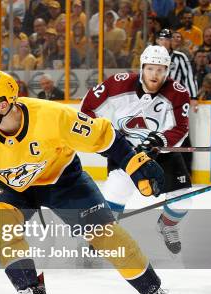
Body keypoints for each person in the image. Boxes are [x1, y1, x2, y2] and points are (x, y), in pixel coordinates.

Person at [0, 70, 184, 294]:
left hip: (63, 181)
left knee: (107, 236)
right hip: (13, 186)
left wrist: (134, 163)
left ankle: (154, 291)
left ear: (4, 105)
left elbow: (104, 137)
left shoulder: (53, 117)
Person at [81, 45, 192, 255]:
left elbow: (181, 128)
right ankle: (101, 235)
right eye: (150, 69)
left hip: (160, 152)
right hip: (125, 151)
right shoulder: (118, 83)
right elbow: (87, 107)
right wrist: (104, 137)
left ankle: (167, 225)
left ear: (167, 71)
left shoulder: (178, 93)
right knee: (115, 192)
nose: (155, 74)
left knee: (183, 199)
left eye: (160, 70)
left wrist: (161, 139)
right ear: (142, 68)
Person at [156, 28, 198, 173]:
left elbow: (190, 77)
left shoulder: (180, 57)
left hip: (177, 102)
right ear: (157, 41)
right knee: (158, 134)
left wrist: (193, 97)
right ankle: (159, 170)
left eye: (167, 39)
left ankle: (186, 170)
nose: (164, 43)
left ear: (171, 41)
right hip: (158, 103)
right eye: (162, 39)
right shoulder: (152, 57)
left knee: (181, 133)